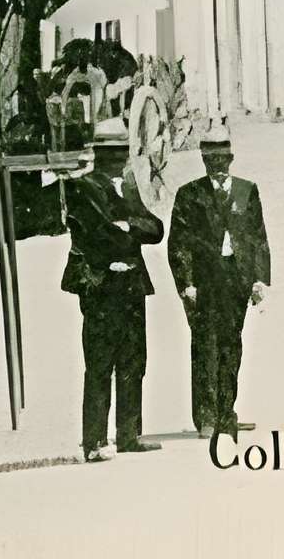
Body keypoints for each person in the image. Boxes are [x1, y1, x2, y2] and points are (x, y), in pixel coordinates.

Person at [62, 121, 165, 461]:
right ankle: (94, 442)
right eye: (112, 154)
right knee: (100, 363)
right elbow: (98, 231)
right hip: (101, 283)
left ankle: (128, 435)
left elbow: (156, 229)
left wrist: (129, 225)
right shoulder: (83, 187)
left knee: (133, 360)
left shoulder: (130, 187)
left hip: (131, 283)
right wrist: (128, 230)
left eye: (122, 153)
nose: (119, 160)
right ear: (100, 155)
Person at [166, 126, 270, 439]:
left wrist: (259, 279)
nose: (217, 165)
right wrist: (186, 283)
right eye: (211, 159)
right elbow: (178, 243)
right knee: (205, 346)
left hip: (236, 280)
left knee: (231, 345)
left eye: (222, 158)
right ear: (203, 159)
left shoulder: (247, 190)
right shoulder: (190, 194)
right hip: (204, 282)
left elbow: (258, 237)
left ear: (231, 158)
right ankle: (207, 417)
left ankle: (227, 413)